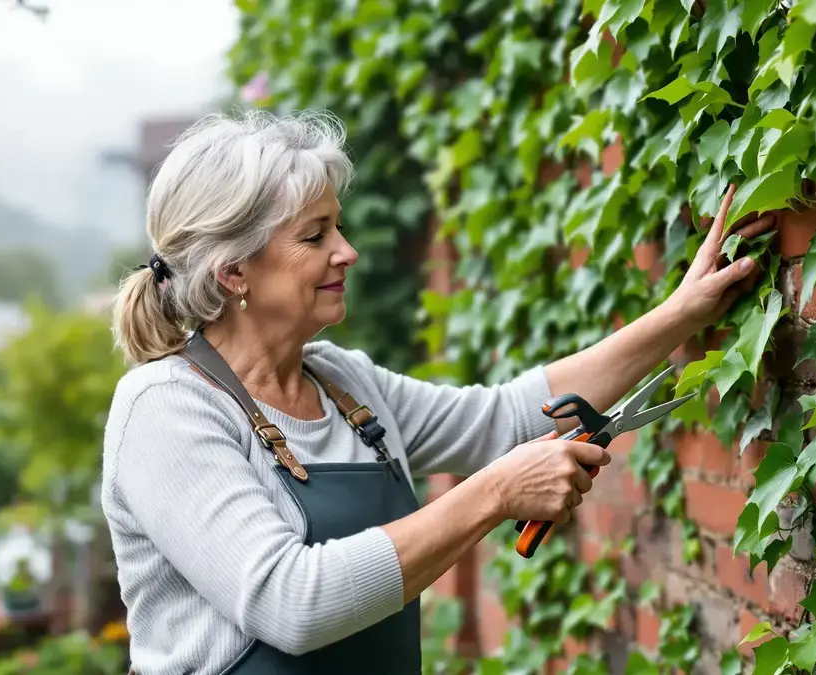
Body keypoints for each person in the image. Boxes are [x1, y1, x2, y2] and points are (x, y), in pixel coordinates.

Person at [102, 109, 773, 675]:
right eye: (315, 235)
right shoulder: (166, 408)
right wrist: (493, 493)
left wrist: (684, 311)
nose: (348, 251)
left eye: (337, 225)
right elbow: (292, 602)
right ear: (234, 272)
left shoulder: (343, 383)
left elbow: (511, 415)